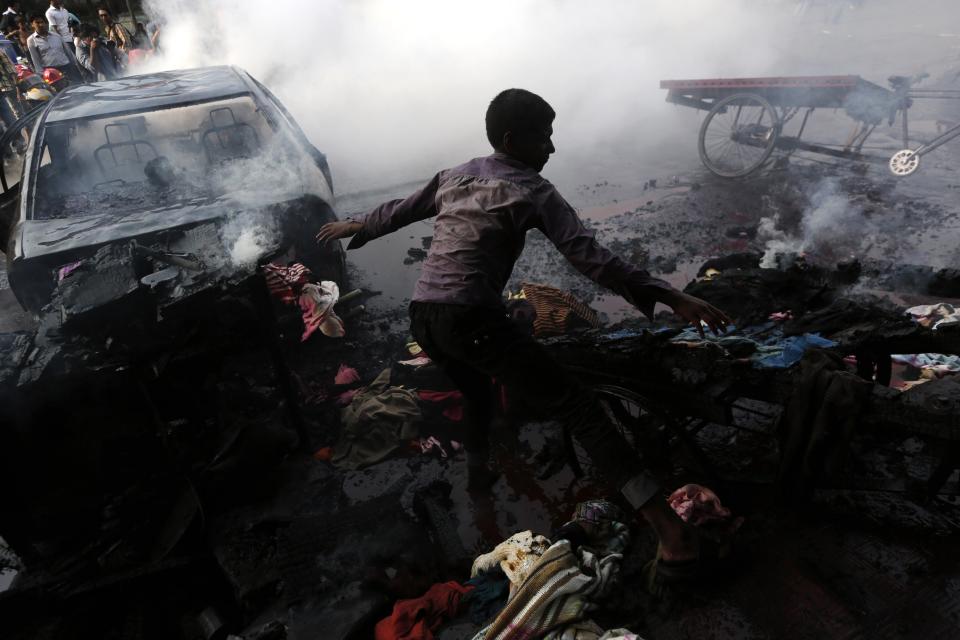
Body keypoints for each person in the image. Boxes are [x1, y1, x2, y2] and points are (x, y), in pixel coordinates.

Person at [316, 89, 733, 575]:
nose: (552, 149)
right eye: (545, 138)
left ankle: (478, 479)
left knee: (474, 388)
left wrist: (358, 223)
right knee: (578, 406)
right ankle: (672, 532)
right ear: (514, 140)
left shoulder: (455, 174)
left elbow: (401, 209)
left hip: (425, 316)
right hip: (470, 318)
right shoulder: (534, 190)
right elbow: (591, 258)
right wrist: (670, 294)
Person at [26, 14, 82, 83]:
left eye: (42, 22)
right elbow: (35, 59)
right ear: (32, 24)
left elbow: (68, 52)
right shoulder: (31, 40)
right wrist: (41, 74)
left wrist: (75, 65)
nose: (41, 25)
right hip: (51, 72)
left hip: (67, 67)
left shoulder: (56, 36)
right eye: (37, 23)